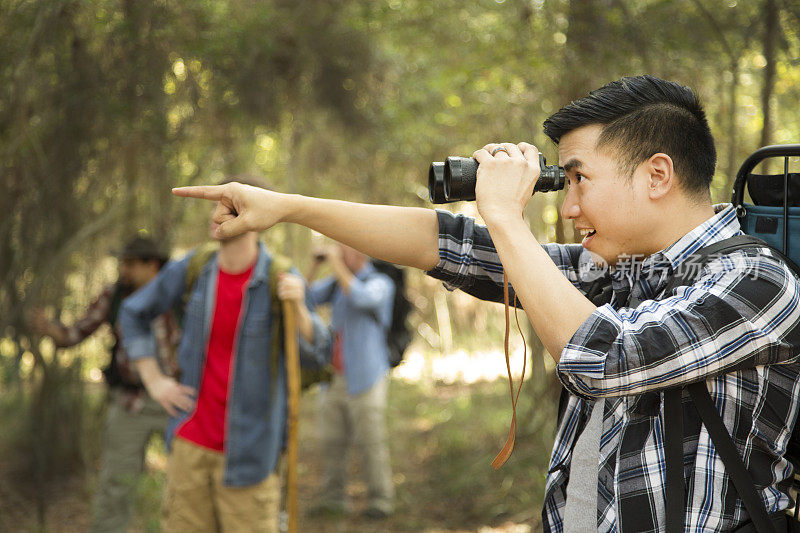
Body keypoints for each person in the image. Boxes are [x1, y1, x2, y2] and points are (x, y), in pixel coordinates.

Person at [171, 75, 800, 532]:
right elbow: (445, 244)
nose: (569, 205)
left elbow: (600, 358)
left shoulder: (754, 282)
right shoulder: (620, 271)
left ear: (657, 175)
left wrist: (506, 217)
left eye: (578, 178)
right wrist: (286, 207)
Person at [118, 179, 331, 533]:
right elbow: (132, 312)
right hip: (190, 446)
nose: (216, 214)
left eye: (228, 206)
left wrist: (303, 314)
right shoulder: (195, 267)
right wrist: (154, 381)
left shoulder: (282, 276)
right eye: (215, 204)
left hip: (251, 455)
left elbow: (319, 354)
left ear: (255, 215)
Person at [29, 236, 176, 533]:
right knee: (115, 484)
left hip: (178, 401)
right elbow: (76, 333)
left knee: (188, 482)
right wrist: (49, 329)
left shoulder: (179, 293)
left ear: (152, 265)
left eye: (131, 264)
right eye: (122, 263)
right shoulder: (116, 296)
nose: (124, 269)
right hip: (130, 401)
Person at [306, 243, 395, 518]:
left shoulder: (380, 282)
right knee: (332, 441)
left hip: (367, 376)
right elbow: (304, 298)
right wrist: (314, 265)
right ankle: (334, 499)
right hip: (334, 377)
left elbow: (361, 298)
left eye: (345, 248)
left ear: (361, 251)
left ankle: (381, 501)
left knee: (371, 441)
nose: (341, 253)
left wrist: (336, 265)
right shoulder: (335, 282)